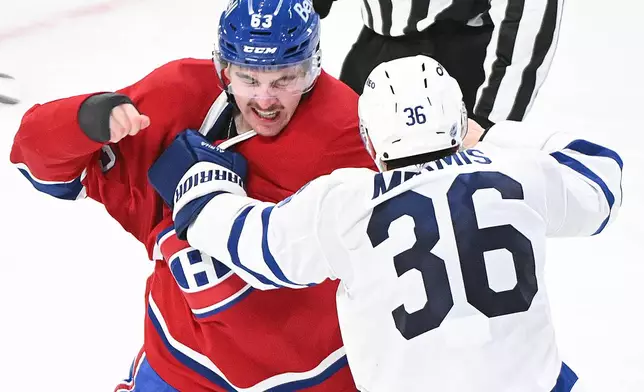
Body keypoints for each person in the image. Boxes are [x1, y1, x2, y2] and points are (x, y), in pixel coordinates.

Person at [148, 55, 623, 392]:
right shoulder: (520, 175)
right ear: (458, 123)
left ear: (369, 140)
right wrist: (492, 135)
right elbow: (602, 175)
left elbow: (258, 247)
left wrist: (200, 188)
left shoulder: (346, 203)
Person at [10, 1, 376, 391]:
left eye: (283, 79)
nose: (266, 100)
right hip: (180, 362)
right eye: (249, 79)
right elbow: (42, 166)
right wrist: (84, 119)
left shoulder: (350, 133)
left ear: (311, 69)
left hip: (314, 377)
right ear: (224, 69)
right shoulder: (177, 99)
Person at [314, 0, 563, 129]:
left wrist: (491, 122)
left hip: (455, 59)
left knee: (442, 202)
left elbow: (529, 12)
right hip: (372, 47)